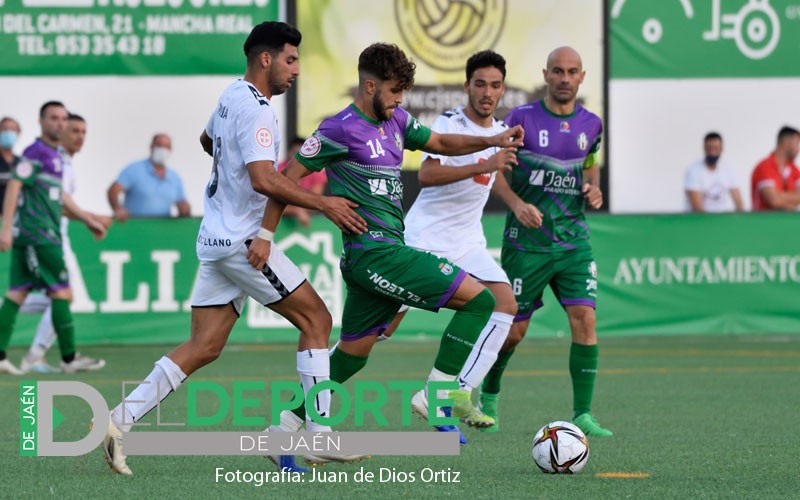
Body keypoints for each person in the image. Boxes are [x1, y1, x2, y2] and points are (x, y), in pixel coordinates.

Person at [99, 21, 367, 476]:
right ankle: (319, 438)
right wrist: (323, 202)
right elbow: (265, 179)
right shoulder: (259, 109)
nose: (296, 69)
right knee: (317, 319)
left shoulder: (229, 95)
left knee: (203, 346)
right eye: (290, 59)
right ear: (266, 59)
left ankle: (118, 421)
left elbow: (208, 141)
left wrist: (234, 177)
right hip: (244, 241)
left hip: (215, 238)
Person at [264, 43, 524, 446]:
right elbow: (282, 179)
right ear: (370, 86)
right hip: (376, 254)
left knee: (351, 356)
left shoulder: (397, 120)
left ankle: (283, 428)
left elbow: (441, 143)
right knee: (482, 302)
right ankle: (436, 398)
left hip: (379, 256)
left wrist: (495, 138)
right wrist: (282, 225)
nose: (401, 99)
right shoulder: (338, 128)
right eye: (395, 90)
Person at [373, 51, 520, 440]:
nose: (488, 92)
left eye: (495, 85)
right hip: (424, 240)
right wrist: (484, 163)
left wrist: (517, 200)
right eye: (480, 84)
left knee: (504, 304)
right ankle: (324, 369)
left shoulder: (501, 131)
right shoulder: (450, 123)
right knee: (376, 330)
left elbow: (496, 176)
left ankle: (448, 394)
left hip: (467, 242)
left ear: (502, 88)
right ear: (467, 85)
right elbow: (428, 173)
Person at [487, 47, 612, 437]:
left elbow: (589, 168)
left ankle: (583, 414)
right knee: (514, 331)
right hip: (527, 244)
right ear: (546, 74)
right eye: (557, 71)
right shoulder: (521, 119)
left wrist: (593, 190)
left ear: (582, 77)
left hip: (574, 241)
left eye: (571, 72)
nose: (564, 78)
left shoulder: (592, 124)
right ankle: (489, 392)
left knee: (586, 320)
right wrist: (517, 203)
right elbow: (496, 173)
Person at [0, 101, 107, 375]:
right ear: (41, 121)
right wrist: (5, 228)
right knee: (62, 292)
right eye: (54, 118)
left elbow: (62, 198)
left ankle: (1, 357)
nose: (59, 123)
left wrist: (87, 220)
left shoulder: (55, 157)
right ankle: (68, 359)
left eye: (62, 118)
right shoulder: (35, 153)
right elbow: (14, 184)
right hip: (39, 234)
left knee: (17, 293)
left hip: (41, 234)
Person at [107, 133, 191, 221]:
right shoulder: (135, 169)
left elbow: (182, 204)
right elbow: (113, 190)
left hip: (162, 229)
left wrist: (185, 209)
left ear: (170, 150)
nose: (162, 149)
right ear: (151, 146)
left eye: (166, 146)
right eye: (159, 145)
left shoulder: (175, 178)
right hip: (135, 226)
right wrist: (117, 209)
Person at [684, 132, 744, 213]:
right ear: (704, 148)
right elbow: (697, 207)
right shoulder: (694, 171)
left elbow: (739, 202)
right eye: (709, 148)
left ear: (722, 149)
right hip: (699, 221)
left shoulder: (727, 170)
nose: (712, 153)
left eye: (716, 148)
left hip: (720, 220)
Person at [279, 136, 328, 227]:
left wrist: (298, 210)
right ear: (288, 153)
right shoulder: (278, 171)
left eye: (301, 154)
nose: (298, 158)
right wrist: (296, 211)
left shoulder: (316, 172)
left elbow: (315, 202)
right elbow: (270, 203)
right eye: (295, 153)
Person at [751, 126, 800, 211]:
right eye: (797, 143)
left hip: (787, 223)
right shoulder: (764, 167)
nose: (798, 149)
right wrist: (793, 198)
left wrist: (779, 196)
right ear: (786, 143)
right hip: (764, 222)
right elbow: (773, 200)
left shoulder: (794, 169)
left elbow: (777, 199)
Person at [0, 117, 22, 212]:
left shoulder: (21, 162)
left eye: (13, 129)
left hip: (14, 218)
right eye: (5, 129)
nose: (8, 132)